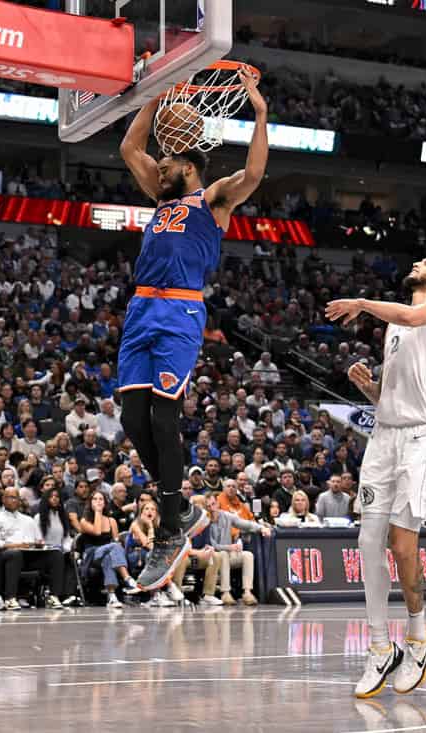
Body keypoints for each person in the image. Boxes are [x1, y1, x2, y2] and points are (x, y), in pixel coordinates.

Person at [118, 65, 269, 592]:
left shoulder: (212, 202)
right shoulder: (160, 200)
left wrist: (261, 114)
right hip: (140, 310)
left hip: (180, 312)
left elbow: (252, 175)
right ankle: (179, 508)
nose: (156, 169)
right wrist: (154, 97)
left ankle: (169, 525)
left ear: (186, 165)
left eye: (166, 164)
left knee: (164, 416)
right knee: (131, 415)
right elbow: (129, 150)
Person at [325, 250, 426, 699]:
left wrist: (361, 302)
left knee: (402, 543)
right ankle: (379, 647)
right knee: (367, 542)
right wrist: (371, 390)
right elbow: (399, 395)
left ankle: (418, 636)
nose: (420, 262)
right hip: (386, 437)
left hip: (423, 439)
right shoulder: (399, 323)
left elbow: (413, 319)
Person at [0, 487, 67, 612]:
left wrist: (39, 544)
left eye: (16, 498)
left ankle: (53, 596)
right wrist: (17, 545)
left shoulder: (28, 520)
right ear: (3, 499)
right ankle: (10, 598)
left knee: (56, 554)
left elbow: (38, 540)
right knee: (15, 553)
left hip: (29, 554)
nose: (14, 501)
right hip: (7, 556)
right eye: (11, 497)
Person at [201, 491, 272, 605]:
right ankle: (225, 593)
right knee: (222, 554)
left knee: (248, 555)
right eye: (208, 506)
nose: (212, 508)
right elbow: (212, 545)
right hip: (213, 558)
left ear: (218, 504)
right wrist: (229, 547)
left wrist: (261, 528)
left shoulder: (227, 516)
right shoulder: (204, 521)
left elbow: (245, 524)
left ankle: (247, 592)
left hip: (230, 554)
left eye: (213, 504)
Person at [78, 491, 142, 608]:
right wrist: (98, 512)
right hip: (92, 554)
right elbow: (97, 532)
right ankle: (127, 578)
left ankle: (112, 596)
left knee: (108, 557)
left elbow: (116, 540)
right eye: (95, 499)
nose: (98, 501)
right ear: (90, 503)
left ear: (105, 502)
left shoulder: (111, 521)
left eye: (101, 499)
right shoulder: (84, 521)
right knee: (114, 547)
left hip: (108, 553)